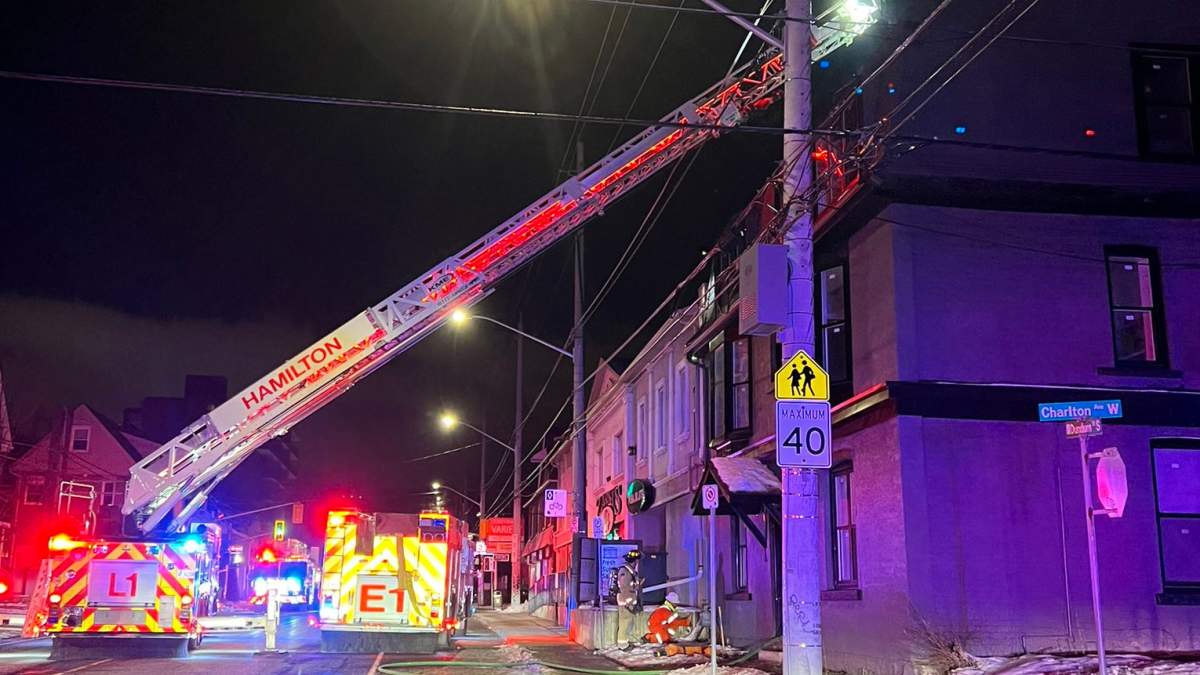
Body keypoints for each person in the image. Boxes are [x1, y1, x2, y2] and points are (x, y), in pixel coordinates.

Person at [614, 550, 644, 649]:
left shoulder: (629, 571)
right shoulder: (625, 571)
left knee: (627, 623)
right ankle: (622, 645)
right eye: (636, 561)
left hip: (629, 601)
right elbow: (625, 587)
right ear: (633, 561)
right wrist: (637, 585)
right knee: (625, 623)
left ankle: (625, 642)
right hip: (626, 602)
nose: (637, 563)